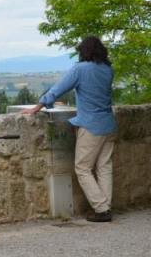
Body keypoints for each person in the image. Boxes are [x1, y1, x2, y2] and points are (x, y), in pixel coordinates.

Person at [22, 36, 117, 222]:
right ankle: (106, 206)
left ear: (84, 51)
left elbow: (58, 89)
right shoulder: (108, 69)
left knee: (82, 168)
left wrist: (37, 108)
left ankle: (102, 209)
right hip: (109, 124)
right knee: (104, 167)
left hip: (91, 125)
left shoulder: (80, 69)